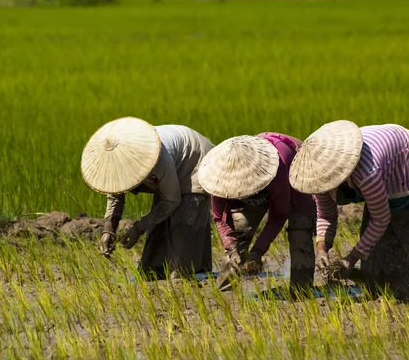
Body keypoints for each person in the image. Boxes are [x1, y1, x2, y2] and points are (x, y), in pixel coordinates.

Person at [288, 120, 409, 303]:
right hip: (388, 178)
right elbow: (326, 215)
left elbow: (381, 219)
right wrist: (322, 249)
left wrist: (351, 258)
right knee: (378, 261)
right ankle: (405, 297)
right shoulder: (320, 181)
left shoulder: (366, 172)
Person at [80, 116, 215, 279]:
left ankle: (188, 275)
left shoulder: (156, 157)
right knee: (157, 230)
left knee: (184, 223)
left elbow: (172, 200)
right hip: (172, 167)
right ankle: (155, 273)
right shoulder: (115, 164)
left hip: (194, 160)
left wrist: (138, 228)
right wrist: (108, 229)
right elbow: (115, 197)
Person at [197, 133, 316, 292]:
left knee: (300, 230)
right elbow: (220, 218)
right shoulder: (219, 178)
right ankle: (226, 290)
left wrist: (258, 252)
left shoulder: (277, 167)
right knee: (239, 236)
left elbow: (279, 216)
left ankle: (301, 290)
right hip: (262, 187)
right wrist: (231, 248)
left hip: (297, 172)